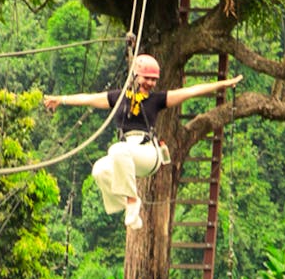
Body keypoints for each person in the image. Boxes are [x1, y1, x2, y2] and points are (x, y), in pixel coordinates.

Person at [43, 54, 243, 229]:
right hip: (126, 154)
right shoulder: (119, 97)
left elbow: (191, 91)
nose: (150, 83)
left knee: (117, 150)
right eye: (147, 78)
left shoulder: (156, 100)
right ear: (136, 76)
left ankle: (132, 200)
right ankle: (128, 203)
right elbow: (88, 99)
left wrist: (222, 84)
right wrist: (61, 99)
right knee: (99, 170)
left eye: (154, 80)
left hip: (148, 153)